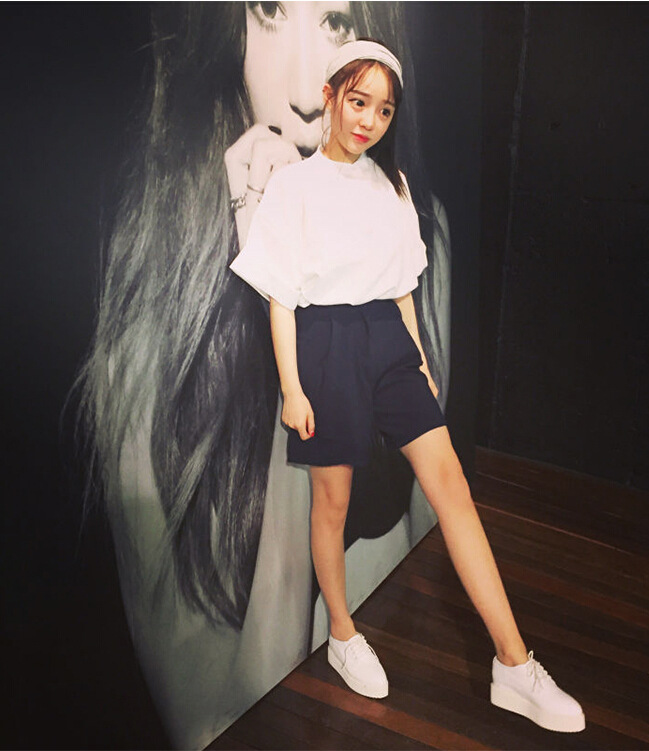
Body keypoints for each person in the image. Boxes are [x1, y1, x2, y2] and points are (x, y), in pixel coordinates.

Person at [77, 4, 450, 748]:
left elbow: (418, 582)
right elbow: (210, 725)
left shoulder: (417, 234)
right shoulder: (152, 308)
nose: (308, 91)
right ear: (229, 31)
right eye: (271, 10)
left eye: (336, 23)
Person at [229, 38, 586, 734]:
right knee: (332, 501)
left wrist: (418, 359)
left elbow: (401, 289)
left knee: (451, 487)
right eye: (357, 101)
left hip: (388, 344)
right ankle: (341, 633)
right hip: (325, 343)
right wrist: (292, 388)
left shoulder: (389, 185)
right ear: (330, 98)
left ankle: (514, 664)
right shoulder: (293, 186)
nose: (368, 120)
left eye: (383, 110)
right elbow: (280, 298)